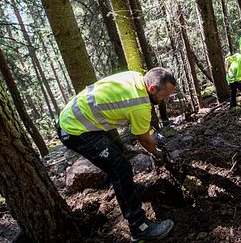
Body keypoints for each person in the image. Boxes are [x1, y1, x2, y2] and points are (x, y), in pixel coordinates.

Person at [56, 68, 177, 241]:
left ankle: (130, 192)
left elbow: (138, 122)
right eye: (164, 95)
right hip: (75, 130)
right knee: (120, 169)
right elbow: (143, 139)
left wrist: (152, 134)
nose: (166, 99)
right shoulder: (139, 104)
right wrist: (158, 154)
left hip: (79, 117)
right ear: (152, 89)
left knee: (118, 161)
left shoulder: (135, 77)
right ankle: (139, 228)